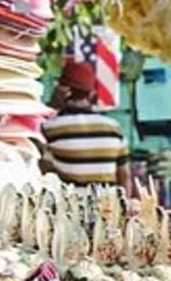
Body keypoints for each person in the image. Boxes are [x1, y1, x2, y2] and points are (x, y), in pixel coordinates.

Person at [41, 60, 132, 190]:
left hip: (69, 207)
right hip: (108, 206)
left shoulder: (50, 127)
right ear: (92, 94)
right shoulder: (113, 128)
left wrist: (51, 105)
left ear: (61, 91)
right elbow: (125, 176)